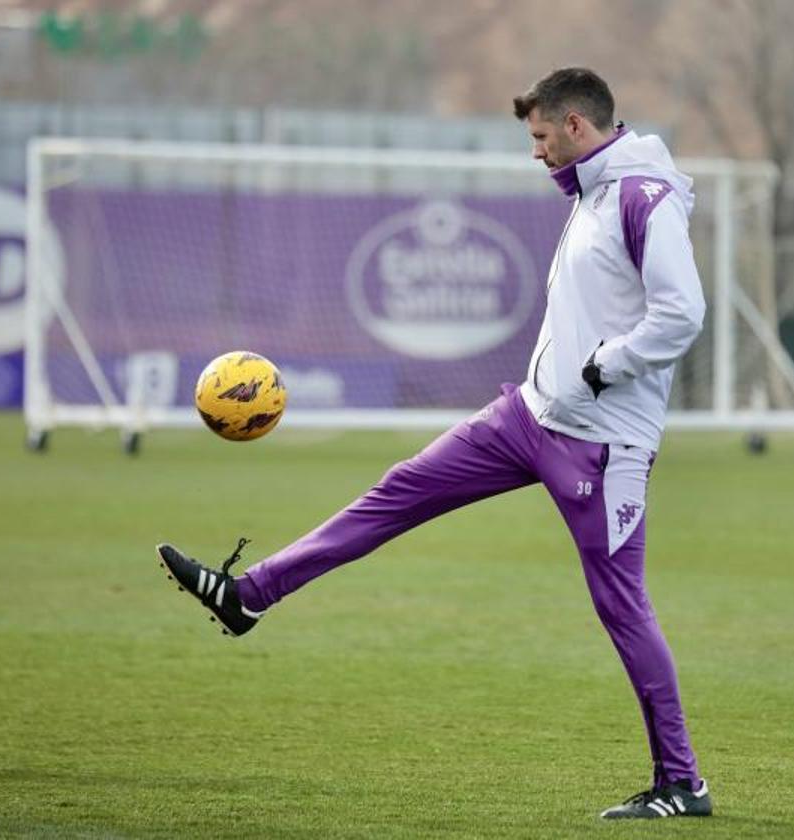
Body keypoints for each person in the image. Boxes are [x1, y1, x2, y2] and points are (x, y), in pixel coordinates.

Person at [156, 67, 712, 821]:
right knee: (398, 490)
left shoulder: (644, 196)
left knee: (622, 608)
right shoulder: (594, 193)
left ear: (577, 126)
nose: (536, 152)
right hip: (529, 417)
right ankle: (248, 596)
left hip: (600, 446)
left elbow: (682, 315)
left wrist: (602, 367)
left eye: (542, 137)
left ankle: (681, 782)